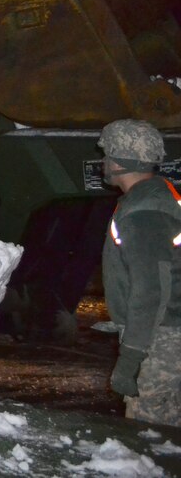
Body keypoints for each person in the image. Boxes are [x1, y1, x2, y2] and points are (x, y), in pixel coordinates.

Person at [98, 118, 181, 427]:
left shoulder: (145, 211)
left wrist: (131, 357)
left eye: (107, 155)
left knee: (149, 433)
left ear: (120, 161)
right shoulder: (152, 199)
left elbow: (150, 289)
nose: (103, 162)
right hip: (166, 332)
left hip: (161, 340)